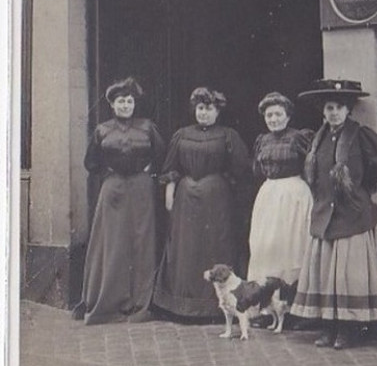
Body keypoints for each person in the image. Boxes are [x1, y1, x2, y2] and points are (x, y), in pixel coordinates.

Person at [290, 79, 377, 350]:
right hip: (325, 214)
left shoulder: (359, 134)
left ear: (348, 110)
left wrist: (358, 184)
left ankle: (349, 329)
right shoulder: (319, 138)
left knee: (348, 274)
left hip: (351, 216)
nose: (333, 113)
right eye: (328, 108)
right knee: (326, 273)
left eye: (338, 108)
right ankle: (328, 326)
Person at [153, 87, 251, 320]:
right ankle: (182, 306)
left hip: (217, 200)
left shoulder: (228, 135)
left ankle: (213, 306)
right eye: (200, 108)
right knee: (185, 246)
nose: (204, 113)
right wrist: (169, 193)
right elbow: (171, 168)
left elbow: (240, 169)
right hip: (186, 199)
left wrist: (226, 187)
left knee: (215, 243)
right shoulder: (181, 135)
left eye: (209, 109)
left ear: (217, 112)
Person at [75, 77, 165, 326]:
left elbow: (161, 154)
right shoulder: (103, 129)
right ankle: (109, 300)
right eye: (120, 102)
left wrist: (149, 172)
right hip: (113, 189)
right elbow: (90, 162)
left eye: (129, 101)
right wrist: (108, 174)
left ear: (134, 104)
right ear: (112, 105)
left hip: (141, 188)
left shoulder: (147, 127)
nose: (125, 106)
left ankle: (138, 302)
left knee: (141, 242)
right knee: (112, 242)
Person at [247, 92, 313, 291]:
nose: (273, 119)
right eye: (269, 115)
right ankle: (266, 303)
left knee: (291, 245)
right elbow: (255, 170)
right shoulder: (262, 140)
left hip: (294, 194)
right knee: (266, 246)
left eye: (278, 114)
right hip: (269, 194)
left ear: (288, 116)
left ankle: (294, 301)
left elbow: (311, 166)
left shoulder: (299, 138)